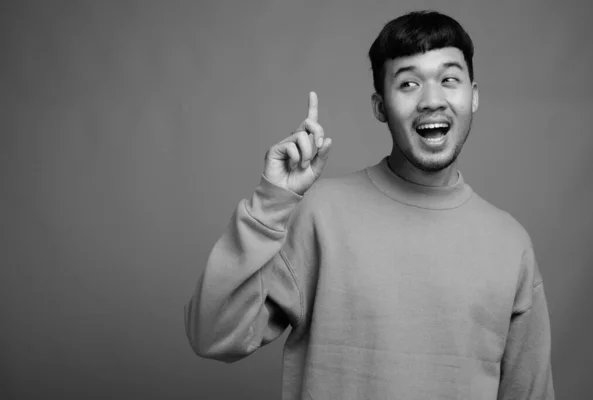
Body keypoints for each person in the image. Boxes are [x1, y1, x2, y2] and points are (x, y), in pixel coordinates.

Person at [184, 10, 555, 400]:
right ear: (380, 106)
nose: (432, 100)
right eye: (408, 83)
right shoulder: (319, 216)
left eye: (449, 80)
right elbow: (212, 335)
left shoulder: (510, 244)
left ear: (473, 96)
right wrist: (271, 201)